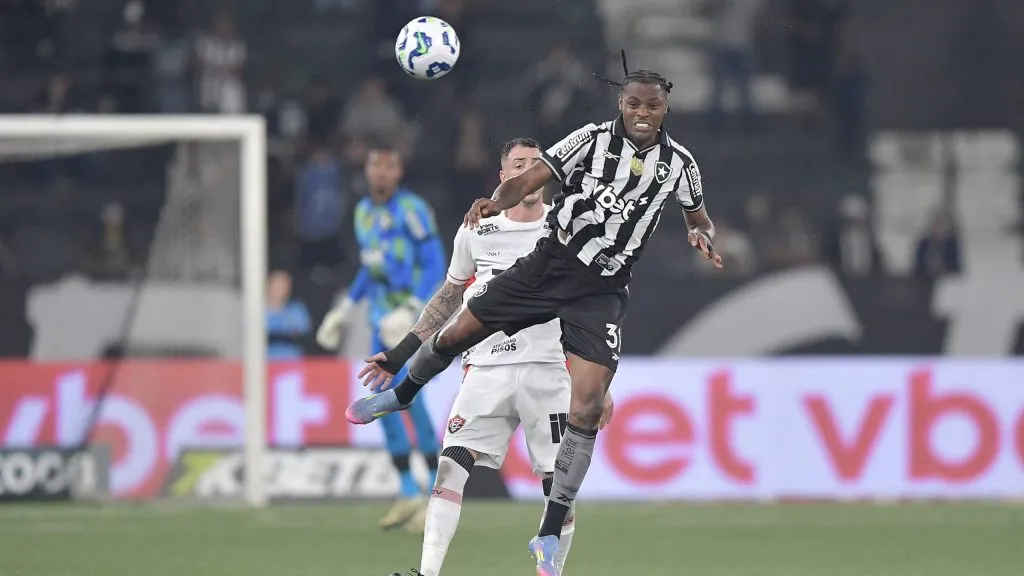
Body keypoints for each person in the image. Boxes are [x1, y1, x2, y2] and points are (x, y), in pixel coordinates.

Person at [350, 59, 722, 576]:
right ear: (621, 103)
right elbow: (528, 183)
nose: (641, 112)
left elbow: (695, 209)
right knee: (460, 331)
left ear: (665, 109)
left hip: (601, 292)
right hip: (551, 265)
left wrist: (700, 232)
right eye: (633, 103)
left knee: (588, 409)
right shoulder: (588, 140)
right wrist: (493, 200)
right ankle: (401, 394)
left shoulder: (680, 164)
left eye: (652, 105)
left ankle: (547, 535)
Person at [387, 138, 614, 576]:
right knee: (450, 469)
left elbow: (591, 309)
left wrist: (600, 386)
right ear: (504, 176)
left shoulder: (568, 228)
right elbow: (450, 296)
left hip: (547, 372)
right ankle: (427, 574)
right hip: (485, 368)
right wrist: (404, 350)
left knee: (558, 488)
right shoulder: (477, 227)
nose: (528, 171)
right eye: (518, 164)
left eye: (536, 163)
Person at [316, 145, 445, 532]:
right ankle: (407, 491)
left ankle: (434, 499)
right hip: (378, 323)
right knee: (378, 408)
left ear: (400, 171)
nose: (382, 173)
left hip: (408, 326)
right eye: (376, 165)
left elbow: (436, 261)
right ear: (368, 169)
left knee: (407, 401)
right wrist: (344, 307)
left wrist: (413, 308)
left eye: (389, 166)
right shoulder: (362, 213)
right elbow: (368, 267)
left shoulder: (413, 209)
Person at [265, 269, 312, 360]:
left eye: (284, 286)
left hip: (292, 363)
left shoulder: (297, 310)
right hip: (263, 364)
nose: (280, 289)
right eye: (277, 285)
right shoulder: (257, 312)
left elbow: (302, 336)